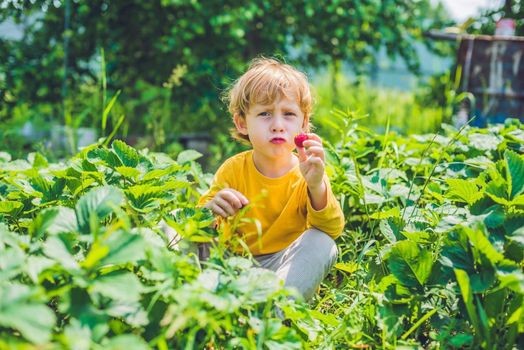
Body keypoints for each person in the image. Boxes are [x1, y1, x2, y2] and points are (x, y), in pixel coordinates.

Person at [198, 57, 345, 301]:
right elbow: (198, 224)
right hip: (232, 266)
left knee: (322, 243)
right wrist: (211, 210)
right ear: (242, 123)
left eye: (288, 114)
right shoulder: (233, 169)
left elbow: (332, 229)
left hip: (283, 270)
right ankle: (205, 303)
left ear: (304, 124)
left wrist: (316, 185)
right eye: (265, 113)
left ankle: (273, 312)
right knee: (173, 229)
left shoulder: (308, 171)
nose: (277, 125)